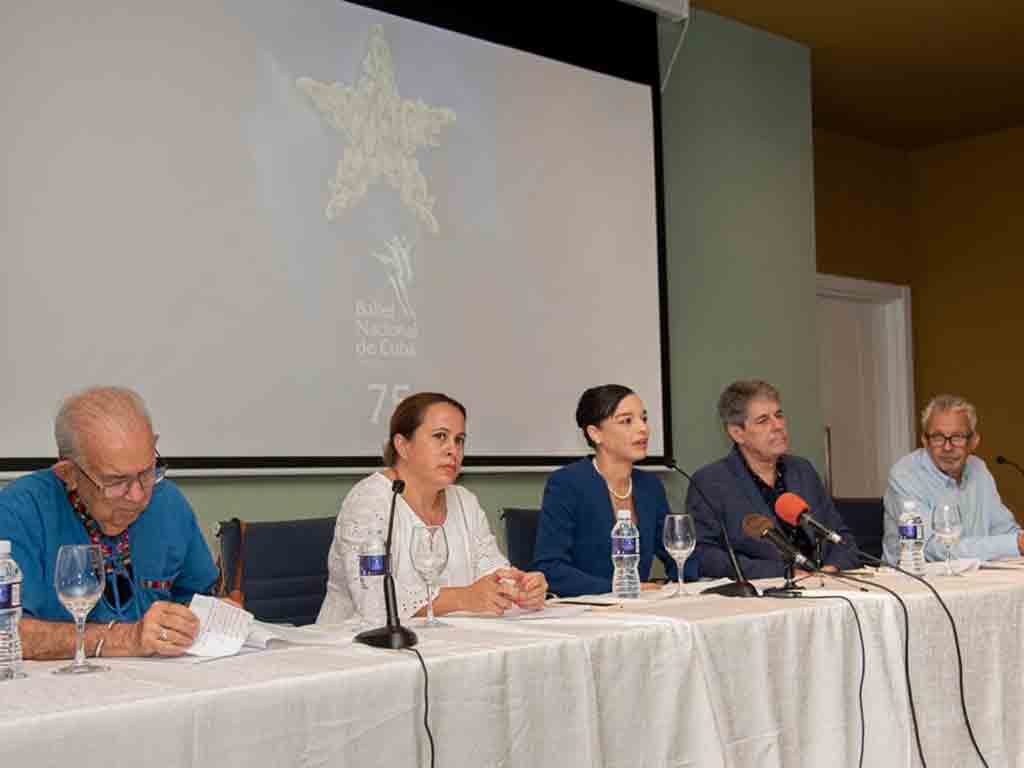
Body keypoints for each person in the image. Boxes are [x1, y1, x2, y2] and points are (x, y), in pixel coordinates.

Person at [0, 386, 218, 659]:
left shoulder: (168, 503)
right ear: (68, 473)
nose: (138, 495)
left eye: (147, 472)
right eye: (116, 482)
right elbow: (5, 632)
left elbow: (201, 598)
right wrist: (122, 638)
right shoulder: (18, 512)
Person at [318, 392, 547, 624]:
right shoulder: (368, 502)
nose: (453, 450)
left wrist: (520, 588)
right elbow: (375, 601)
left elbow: (492, 573)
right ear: (403, 446)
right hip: (359, 648)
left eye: (459, 440)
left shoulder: (465, 501)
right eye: (440, 436)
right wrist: (463, 598)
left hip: (450, 643)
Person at [533, 385, 695, 597]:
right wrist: (616, 588)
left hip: (640, 609)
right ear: (595, 433)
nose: (643, 429)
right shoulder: (567, 484)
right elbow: (551, 569)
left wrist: (685, 584)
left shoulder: (649, 486)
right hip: (586, 612)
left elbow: (675, 552)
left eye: (643, 419)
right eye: (627, 421)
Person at [689, 380, 859, 579]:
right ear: (737, 433)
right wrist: (785, 574)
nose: (778, 426)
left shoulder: (802, 470)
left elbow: (840, 537)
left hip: (822, 586)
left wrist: (832, 568)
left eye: (779, 415)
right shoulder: (711, 482)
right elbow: (704, 556)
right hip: (762, 594)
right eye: (763, 421)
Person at [883, 394, 1023, 564]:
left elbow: (1005, 530)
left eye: (957, 437)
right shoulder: (905, 474)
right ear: (925, 441)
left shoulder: (979, 469)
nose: (947, 447)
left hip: (974, 578)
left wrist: (1018, 540)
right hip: (912, 583)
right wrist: (1015, 543)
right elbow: (931, 549)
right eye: (938, 437)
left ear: (974, 441)